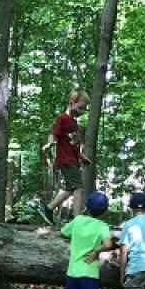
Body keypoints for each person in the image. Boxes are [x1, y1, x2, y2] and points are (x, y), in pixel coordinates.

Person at [39, 89, 92, 225]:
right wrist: (49, 144)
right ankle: (77, 219)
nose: (82, 111)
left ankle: (48, 209)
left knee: (71, 188)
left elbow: (73, 145)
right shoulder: (62, 118)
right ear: (72, 103)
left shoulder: (74, 124)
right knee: (78, 187)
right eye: (80, 108)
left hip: (73, 160)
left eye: (84, 109)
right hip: (65, 159)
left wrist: (82, 157)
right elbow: (53, 134)